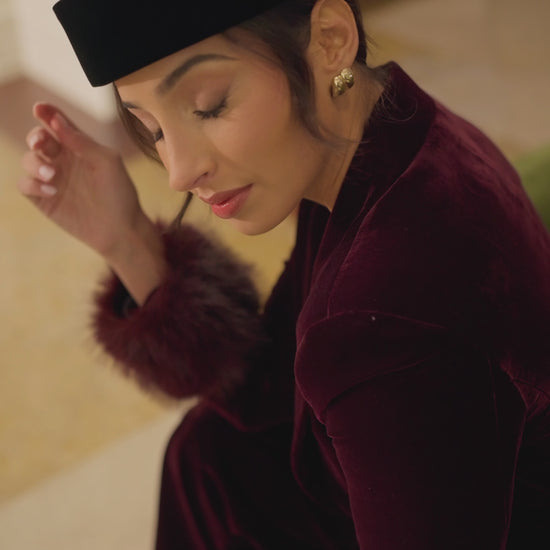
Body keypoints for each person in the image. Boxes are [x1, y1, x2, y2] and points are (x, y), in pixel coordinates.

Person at [18, 0, 550, 548]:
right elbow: (269, 386)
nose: (178, 172)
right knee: (205, 452)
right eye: (151, 128)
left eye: (208, 105)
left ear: (330, 38)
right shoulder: (390, 139)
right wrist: (128, 240)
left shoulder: (383, 322)